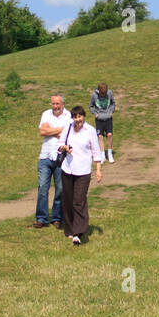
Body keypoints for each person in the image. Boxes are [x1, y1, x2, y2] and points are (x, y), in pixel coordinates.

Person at [57, 105, 103, 245]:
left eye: (80, 116)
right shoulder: (69, 127)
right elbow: (60, 145)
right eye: (75, 117)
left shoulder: (90, 130)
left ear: (84, 116)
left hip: (83, 170)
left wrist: (99, 170)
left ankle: (78, 233)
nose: (78, 120)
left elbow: (96, 151)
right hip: (68, 168)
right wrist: (64, 148)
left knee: (79, 200)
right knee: (68, 200)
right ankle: (70, 229)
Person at [35, 92, 69, 228]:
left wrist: (50, 129)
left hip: (61, 157)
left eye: (57, 104)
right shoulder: (46, 114)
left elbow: (67, 134)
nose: (55, 106)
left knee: (60, 189)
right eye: (53, 103)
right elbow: (42, 132)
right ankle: (41, 218)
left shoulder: (69, 117)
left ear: (62, 104)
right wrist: (59, 130)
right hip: (45, 156)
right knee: (43, 187)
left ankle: (57, 218)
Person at [89, 81, 117, 162]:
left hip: (108, 118)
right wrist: (95, 114)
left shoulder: (109, 93)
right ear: (99, 91)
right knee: (100, 136)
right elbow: (91, 106)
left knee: (109, 135)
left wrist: (111, 112)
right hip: (99, 120)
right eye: (102, 94)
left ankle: (109, 153)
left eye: (105, 94)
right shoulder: (94, 95)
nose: (104, 95)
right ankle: (102, 155)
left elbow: (113, 103)